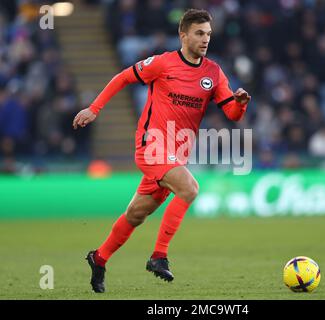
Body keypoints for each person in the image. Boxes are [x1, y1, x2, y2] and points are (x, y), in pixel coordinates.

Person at [72, 8, 251, 293]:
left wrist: (240, 102)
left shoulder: (213, 73)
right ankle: (158, 256)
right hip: (151, 145)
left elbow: (232, 113)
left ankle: (99, 257)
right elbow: (123, 78)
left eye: (208, 34)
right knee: (190, 188)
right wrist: (94, 109)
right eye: (199, 33)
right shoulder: (163, 63)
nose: (205, 40)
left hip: (176, 154)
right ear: (183, 35)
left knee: (136, 215)